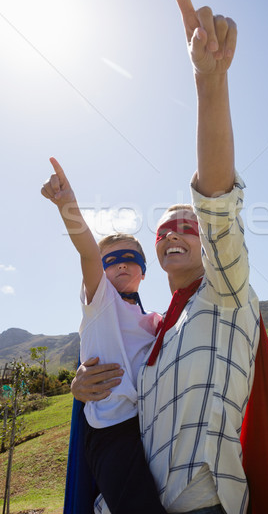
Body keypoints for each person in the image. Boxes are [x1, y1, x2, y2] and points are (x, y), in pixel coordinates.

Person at [71, 0, 268, 514]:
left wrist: (209, 85)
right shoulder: (154, 334)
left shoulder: (225, 294)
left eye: (187, 226)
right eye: (163, 230)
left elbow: (219, 200)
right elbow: (115, 393)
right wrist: (82, 390)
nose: (175, 233)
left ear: (205, 241)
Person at [41, 158, 167, 514]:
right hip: (111, 430)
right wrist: (68, 206)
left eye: (131, 258)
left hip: (151, 429)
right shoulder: (101, 303)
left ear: (143, 272)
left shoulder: (156, 321)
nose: (121, 264)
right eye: (111, 260)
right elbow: (86, 251)